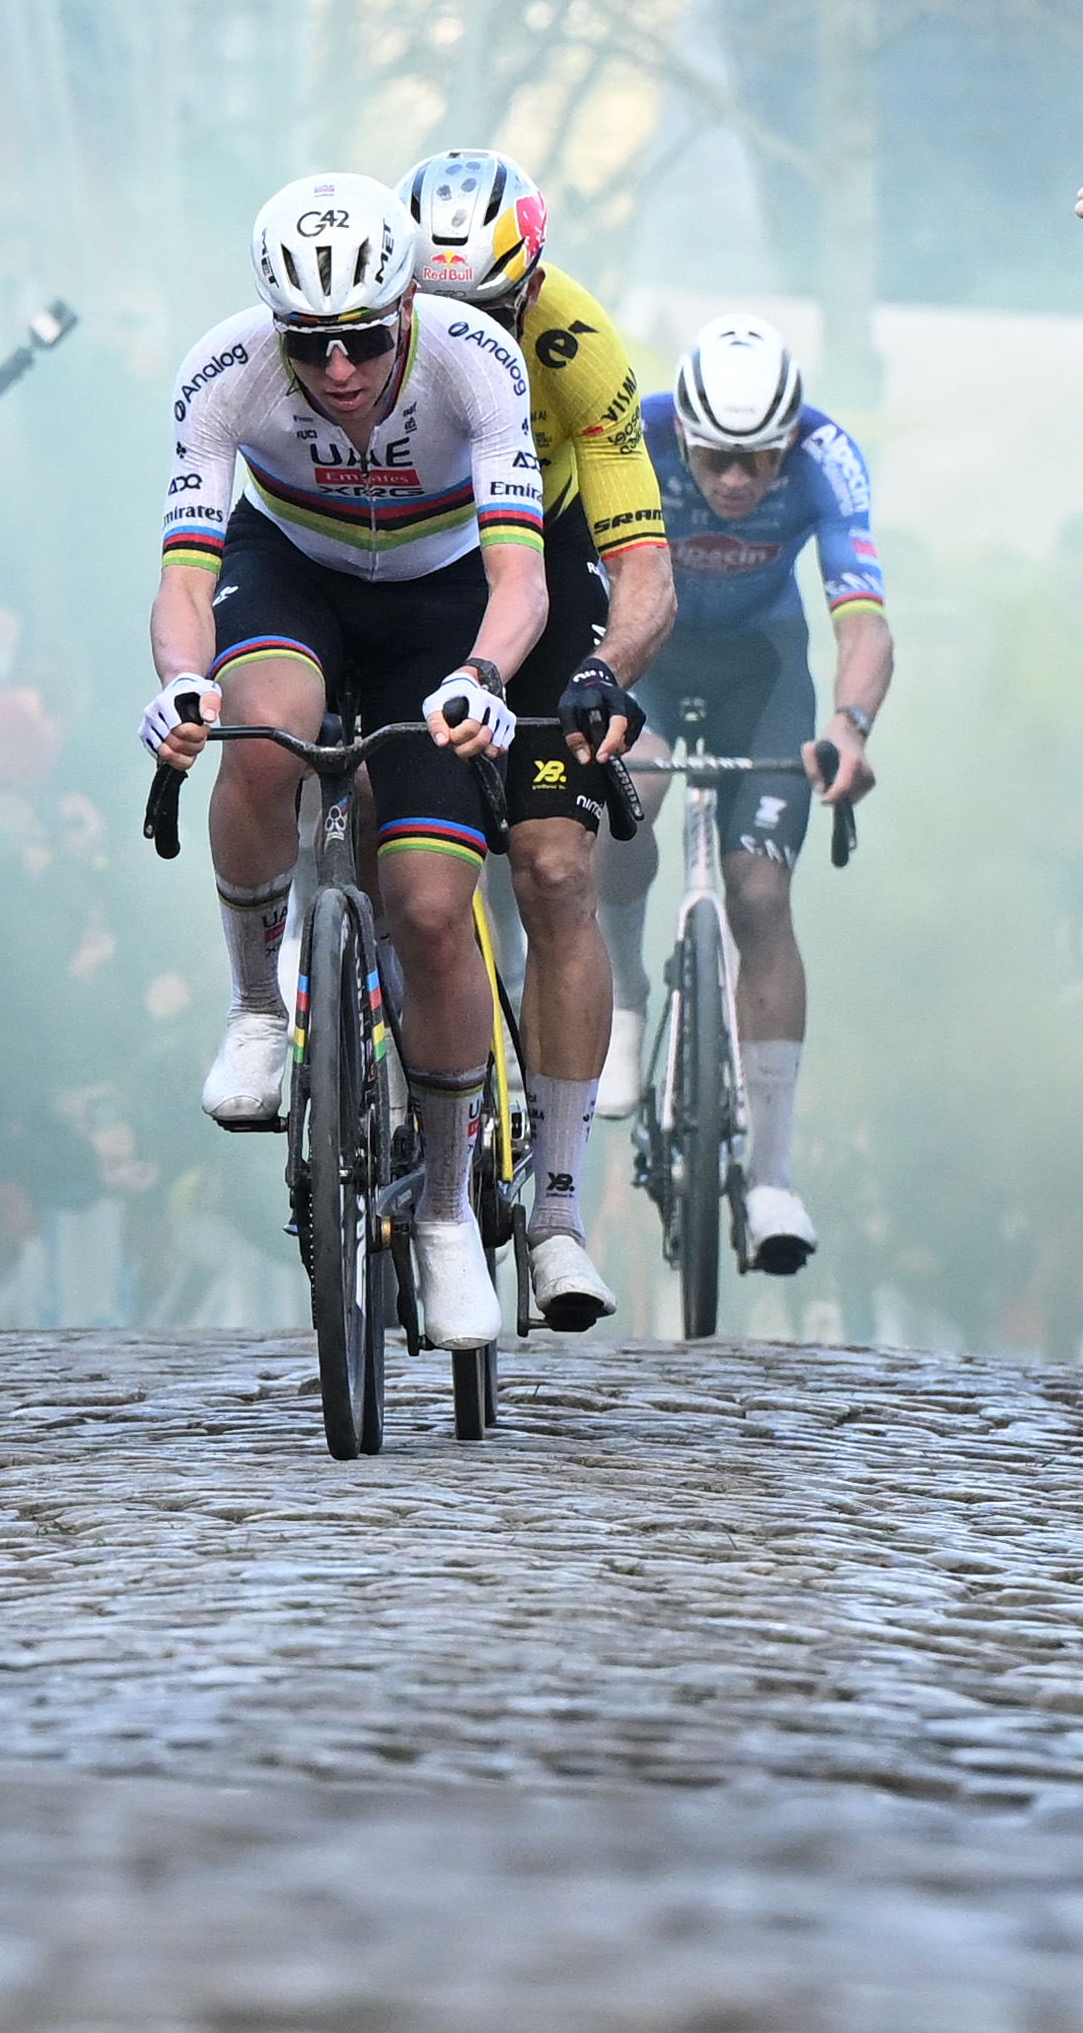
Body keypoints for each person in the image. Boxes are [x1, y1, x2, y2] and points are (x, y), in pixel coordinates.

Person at [137, 170, 547, 1354]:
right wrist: (181, 685)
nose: (336, 370)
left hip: (440, 595)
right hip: (294, 571)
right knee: (263, 733)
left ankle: (446, 1213)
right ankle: (258, 1008)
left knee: (430, 912)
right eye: (308, 342)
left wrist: (482, 675)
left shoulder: (475, 360)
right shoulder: (224, 370)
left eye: (363, 339)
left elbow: (519, 577)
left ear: (408, 307)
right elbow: (183, 579)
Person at [398, 145, 671, 1329]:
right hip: (405, 568)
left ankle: (556, 1210)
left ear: (533, 284)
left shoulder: (575, 346)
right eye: (437, 310)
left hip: (542, 575)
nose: (467, 337)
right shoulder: (358, 348)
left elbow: (642, 566)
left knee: (556, 868)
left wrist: (606, 669)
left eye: (493, 309)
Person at [607, 316, 885, 1277]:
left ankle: (772, 1179)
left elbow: (863, 619)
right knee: (622, 796)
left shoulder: (826, 456)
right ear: (682, 434)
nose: (735, 480)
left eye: (759, 460)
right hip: (643, 651)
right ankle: (623, 987)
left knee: (761, 896)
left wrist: (849, 725)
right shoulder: (633, 433)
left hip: (761, 669)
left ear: (790, 440)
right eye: (716, 458)